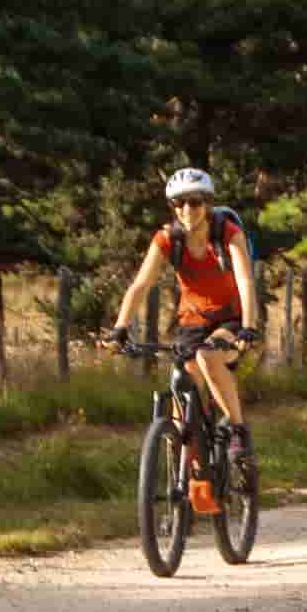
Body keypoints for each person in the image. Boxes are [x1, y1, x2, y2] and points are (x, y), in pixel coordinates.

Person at [100, 167, 255, 468]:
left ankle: (237, 430)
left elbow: (246, 281)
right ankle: (189, 480)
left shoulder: (228, 234)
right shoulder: (168, 239)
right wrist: (120, 327)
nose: (187, 209)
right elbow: (140, 285)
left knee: (208, 358)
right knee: (182, 389)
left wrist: (249, 327)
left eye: (195, 202)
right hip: (192, 321)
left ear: (207, 204)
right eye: (179, 203)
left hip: (230, 319)